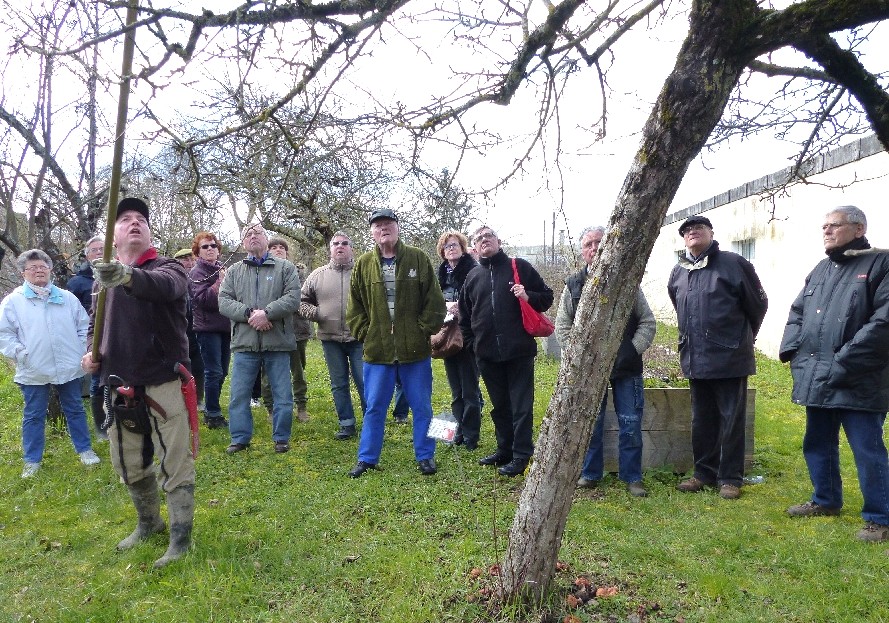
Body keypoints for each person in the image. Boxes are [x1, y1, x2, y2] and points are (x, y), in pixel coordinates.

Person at [81, 197, 195, 568]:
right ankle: (149, 523)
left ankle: (181, 541)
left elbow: (165, 287)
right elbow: (95, 324)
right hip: (118, 384)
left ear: (148, 231)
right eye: (125, 219)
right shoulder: (102, 281)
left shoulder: (170, 268)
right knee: (127, 462)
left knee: (175, 464)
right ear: (113, 235)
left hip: (164, 382)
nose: (134, 223)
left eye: (141, 219)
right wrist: (91, 352)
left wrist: (127, 276)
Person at [779, 205, 889, 542]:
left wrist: (844, 362)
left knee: (867, 449)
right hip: (818, 375)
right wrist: (793, 352)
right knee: (817, 443)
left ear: (858, 229)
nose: (827, 231)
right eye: (824, 226)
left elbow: (884, 322)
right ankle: (825, 501)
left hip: (861, 378)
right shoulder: (821, 268)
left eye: (834, 225)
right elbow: (797, 312)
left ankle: (880, 519)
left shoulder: (881, 263)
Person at [667, 215, 768, 500]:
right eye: (687, 230)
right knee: (702, 419)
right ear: (683, 239)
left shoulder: (734, 264)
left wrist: (740, 338)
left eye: (698, 228)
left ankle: (730, 477)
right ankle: (703, 473)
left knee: (732, 419)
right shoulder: (679, 271)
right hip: (695, 357)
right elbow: (680, 306)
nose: (692, 232)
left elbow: (758, 305)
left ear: (711, 232)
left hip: (729, 358)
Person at [555, 226, 656, 497]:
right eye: (589, 244)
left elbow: (647, 322)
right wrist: (578, 357)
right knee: (591, 423)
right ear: (582, 251)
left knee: (630, 422)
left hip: (627, 368)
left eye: (600, 242)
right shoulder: (573, 285)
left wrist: (631, 350)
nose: (595, 248)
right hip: (588, 372)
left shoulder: (628, 282)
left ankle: (632, 477)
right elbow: (562, 326)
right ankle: (590, 473)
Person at [345, 208, 446, 477]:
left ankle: (426, 456)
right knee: (375, 406)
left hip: (415, 351)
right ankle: (367, 458)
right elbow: (354, 307)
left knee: (422, 406)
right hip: (377, 352)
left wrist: (422, 330)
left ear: (398, 227)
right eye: (377, 226)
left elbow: (434, 303)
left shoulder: (418, 258)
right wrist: (366, 333)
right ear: (372, 233)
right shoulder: (364, 264)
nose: (383, 229)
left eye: (388, 223)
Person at [459, 225, 553, 477]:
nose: (483, 240)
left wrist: (527, 295)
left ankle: (522, 454)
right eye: (478, 239)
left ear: (498, 241)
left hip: (519, 351)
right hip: (487, 354)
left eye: (488, 236)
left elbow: (547, 297)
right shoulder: (472, 277)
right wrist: (473, 345)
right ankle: (505, 449)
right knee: (499, 406)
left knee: (521, 406)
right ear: (475, 248)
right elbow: (465, 317)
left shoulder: (519, 266)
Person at [0, 249, 100, 478]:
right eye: (32, 267)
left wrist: (79, 350)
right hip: (33, 368)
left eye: (42, 266)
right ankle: (32, 461)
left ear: (50, 269)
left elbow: (84, 327)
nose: (38, 271)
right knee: (34, 414)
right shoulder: (14, 301)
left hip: (68, 365)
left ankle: (85, 450)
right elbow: (4, 334)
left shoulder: (66, 298)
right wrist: (20, 353)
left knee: (75, 408)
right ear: (23, 272)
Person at [218, 222, 300, 455]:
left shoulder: (285, 268)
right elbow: (223, 301)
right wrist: (249, 314)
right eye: (248, 234)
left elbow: (293, 298)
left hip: (278, 342)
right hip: (245, 343)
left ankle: (281, 438)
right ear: (243, 242)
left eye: (258, 233)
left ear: (267, 239)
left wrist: (268, 313)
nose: (253, 236)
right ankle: (240, 438)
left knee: (282, 394)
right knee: (239, 395)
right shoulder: (233, 271)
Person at [300, 231, 365, 440]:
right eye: (336, 243)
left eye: (345, 243)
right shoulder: (317, 275)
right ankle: (347, 424)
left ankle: (372, 422)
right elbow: (301, 302)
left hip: (359, 339)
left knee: (365, 381)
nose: (340, 246)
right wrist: (318, 313)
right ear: (330, 249)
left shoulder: (363, 272)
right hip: (330, 339)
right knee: (339, 383)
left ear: (351, 248)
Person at [436, 230, 482, 450]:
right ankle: (459, 432)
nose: (451, 249)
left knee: (470, 389)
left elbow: (480, 302)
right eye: (447, 247)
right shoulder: (441, 274)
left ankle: (472, 435)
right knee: (456, 390)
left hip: (468, 335)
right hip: (448, 335)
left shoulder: (473, 271)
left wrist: (460, 307)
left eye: (454, 245)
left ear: (463, 248)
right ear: (442, 252)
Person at [264, 237, 311, 423]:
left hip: (297, 329)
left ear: (287, 252)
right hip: (271, 330)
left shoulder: (298, 274)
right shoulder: (263, 273)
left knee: (298, 371)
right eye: (273, 247)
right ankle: (271, 409)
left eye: (281, 247)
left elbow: (303, 298)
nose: (278, 250)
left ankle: (301, 407)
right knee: (268, 372)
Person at [189, 231, 231, 430]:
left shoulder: (221, 269)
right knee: (213, 371)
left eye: (213, 245)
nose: (210, 249)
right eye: (205, 247)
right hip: (207, 328)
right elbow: (204, 300)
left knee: (222, 371)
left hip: (225, 327)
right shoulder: (197, 273)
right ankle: (212, 414)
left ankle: (210, 407)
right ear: (197, 252)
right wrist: (219, 283)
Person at [66, 235, 106, 438]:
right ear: (87, 256)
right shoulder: (77, 282)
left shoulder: (115, 275)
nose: (99, 252)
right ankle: (101, 427)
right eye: (95, 250)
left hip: (117, 336)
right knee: (97, 381)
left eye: (102, 249)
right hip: (93, 337)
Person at [174, 248, 205, 410]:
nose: (189, 262)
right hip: (178, 331)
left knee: (199, 366)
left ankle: (198, 399)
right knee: (182, 367)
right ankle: (181, 400)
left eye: (191, 259)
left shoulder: (198, 279)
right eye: (185, 259)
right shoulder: (173, 279)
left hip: (197, 329)